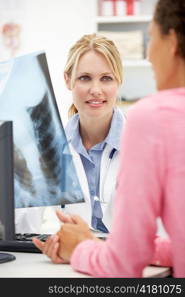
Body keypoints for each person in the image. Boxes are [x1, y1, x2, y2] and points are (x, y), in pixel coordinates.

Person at [34, 0, 185, 274]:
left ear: (171, 41)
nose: (149, 54)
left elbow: (125, 263)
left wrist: (84, 247)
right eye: (84, 78)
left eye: (151, 38)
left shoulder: (151, 119)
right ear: (68, 80)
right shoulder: (47, 144)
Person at [42, 33, 126, 234]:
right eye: (85, 78)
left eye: (106, 78)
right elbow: (21, 226)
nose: (96, 90)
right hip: (70, 262)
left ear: (119, 82)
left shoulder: (143, 145)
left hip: (129, 261)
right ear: (68, 80)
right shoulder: (48, 149)